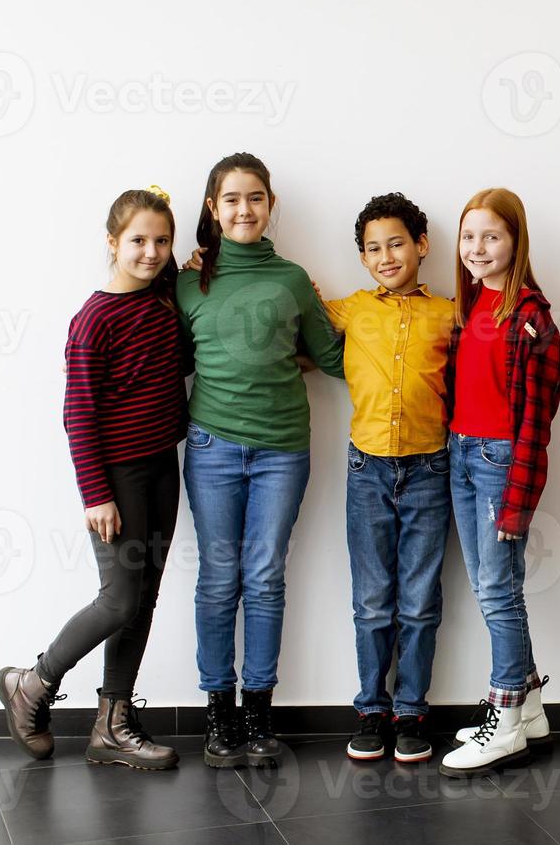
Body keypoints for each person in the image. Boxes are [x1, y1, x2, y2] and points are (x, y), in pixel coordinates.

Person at [0, 186, 189, 771]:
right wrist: (96, 494)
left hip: (163, 466)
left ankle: (112, 724)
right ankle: (33, 683)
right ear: (112, 243)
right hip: (119, 477)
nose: (151, 252)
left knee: (144, 598)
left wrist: (194, 266)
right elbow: (76, 413)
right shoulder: (94, 318)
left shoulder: (161, 301)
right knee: (118, 599)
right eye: (138, 241)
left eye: (161, 241)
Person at [176, 152, 346, 768]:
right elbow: (174, 363)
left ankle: (258, 714)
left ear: (270, 204)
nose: (244, 210)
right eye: (231, 200)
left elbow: (331, 358)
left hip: (282, 451)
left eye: (255, 198)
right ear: (212, 209)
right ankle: (219, 716)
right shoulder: (187, 281)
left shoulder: (295, 280)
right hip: (212, 448)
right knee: (220, 579)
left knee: (266, 576)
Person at [324, 193, 457, 764]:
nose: (385, 256)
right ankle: (371, 710)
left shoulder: (451, 315)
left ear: (421, 245)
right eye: (372, 249)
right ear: (362, 258)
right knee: (373, 600)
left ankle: (411, 711)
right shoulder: (351, 309)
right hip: (366, 469)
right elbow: (294, 318)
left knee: (420, 600)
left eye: (396, 243)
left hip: (430, 468)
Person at [438, 188, 560, 778]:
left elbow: (536, 422)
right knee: (495, 584)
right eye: (469, 236)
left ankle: (506, 720)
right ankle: (530, 707)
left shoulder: (532, 319)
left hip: (498, 461)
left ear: (516, 241)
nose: (477, 248)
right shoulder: (467, 309)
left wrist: (517, 496)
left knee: (496, 590)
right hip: (460, 452)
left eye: (491, 236)